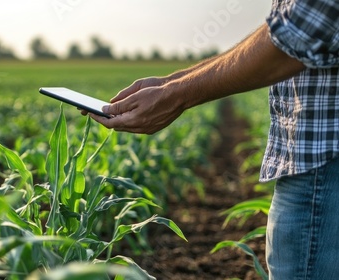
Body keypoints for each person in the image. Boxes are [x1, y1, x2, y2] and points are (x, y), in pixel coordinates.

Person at [86, 0, 339, 279]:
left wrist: (176, 94)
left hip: (324, 164)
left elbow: (300, 30)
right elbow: (287, 28)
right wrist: (171, 84)